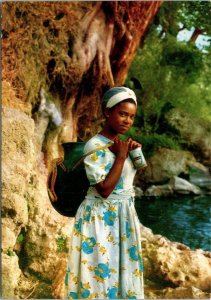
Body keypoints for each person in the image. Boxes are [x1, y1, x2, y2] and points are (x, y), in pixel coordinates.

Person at [65, 86, 144, 299]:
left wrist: (134, 152)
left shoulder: (121, 144)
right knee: (99, 273)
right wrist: (120, 156)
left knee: (122, 272)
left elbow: (138, 170)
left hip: (124, 215)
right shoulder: (94, 146)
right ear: (108, 112)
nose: (128, 120)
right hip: (99, 217)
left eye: (132, 117)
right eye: (123, 114)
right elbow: (105, 189)